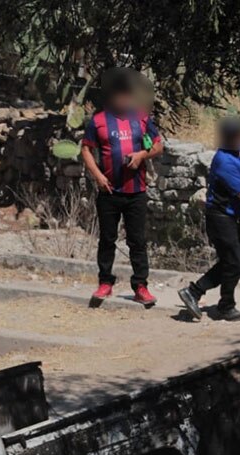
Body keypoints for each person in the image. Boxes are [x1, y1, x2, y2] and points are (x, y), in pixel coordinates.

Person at [81, 69, 164, 308]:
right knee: (107, 239)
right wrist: (97, 176)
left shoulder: (141, 119)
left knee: (137, 241)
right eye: (118, 96)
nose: (123, 101)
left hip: (136, 191)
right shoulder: (98, 121)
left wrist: (141, 155)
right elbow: (85, 148)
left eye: (126, 96)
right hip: (109, 192)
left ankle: (140, 286)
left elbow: (158, 146)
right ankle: (105, 282)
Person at [178, 117, 240, 321]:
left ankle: (196, 292)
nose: (237, 139)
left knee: (233, 261)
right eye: (232, 136)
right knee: (233, 261)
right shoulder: (223, 160)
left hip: (237, 216)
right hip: (219, 216)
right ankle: (224, 305)